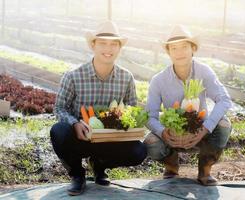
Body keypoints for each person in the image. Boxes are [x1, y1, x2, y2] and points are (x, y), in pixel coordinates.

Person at [50, 21, 147, 196]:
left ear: (119, 48)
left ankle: (99, 165)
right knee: (59, 131)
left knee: (139, 151)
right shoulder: (73, 76)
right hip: (81, 138)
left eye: (113, 44)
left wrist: (124, 123)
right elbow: (59, 108)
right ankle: (77, 174)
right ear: (93, 45)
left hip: (111, 139)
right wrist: (74, 124)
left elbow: (132, 109)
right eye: (102, 43)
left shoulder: (126, 78)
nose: (108, 48)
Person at [144, 25, 232, 186]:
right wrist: (163, 133)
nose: (179, 52)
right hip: (172, 135)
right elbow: (150, 116)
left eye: (184, 46)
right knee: (150, 142)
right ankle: (171, 166)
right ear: (168, 52)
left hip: (200, 133)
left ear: (193, 48)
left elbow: (224, 100)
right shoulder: (159, 80)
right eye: (174, 48)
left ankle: (204, 170)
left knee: (224, 124)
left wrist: (205, 128)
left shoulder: (204, 72)